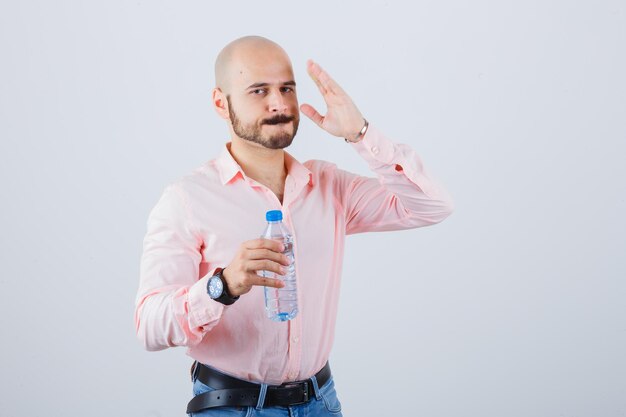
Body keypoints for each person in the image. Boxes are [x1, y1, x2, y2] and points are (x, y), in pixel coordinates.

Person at [135, 35, 454, 416]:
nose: (279, 104)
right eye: (258, 90)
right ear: (221, 102)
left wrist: (361, 134)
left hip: (321, 402)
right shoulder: (187, 199)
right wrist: (223, 285)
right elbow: (150, 326)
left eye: (287, 88)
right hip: (231, 408)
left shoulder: (329, 187)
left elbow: (431, 207)